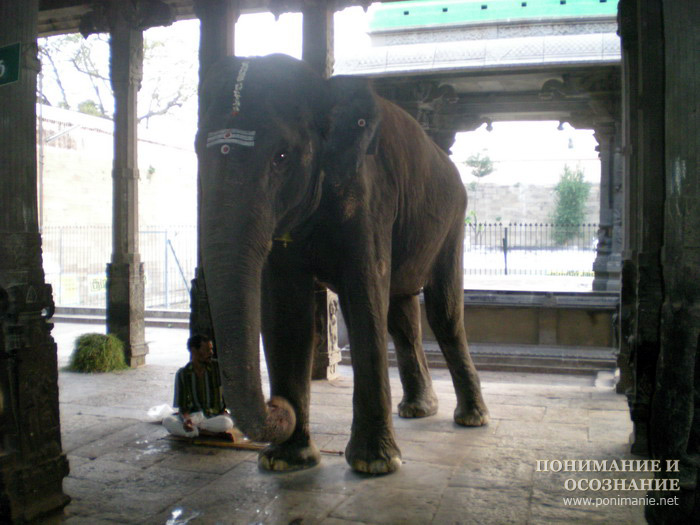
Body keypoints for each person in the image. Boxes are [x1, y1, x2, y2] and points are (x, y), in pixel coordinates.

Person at [162, 334, 235, 439]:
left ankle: (195, 432)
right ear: (194, 350)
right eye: (206, 350)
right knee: (167, 421)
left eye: (211, 349)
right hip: (193, 418)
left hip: (213, 418)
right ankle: (206, 433)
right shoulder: (183, 374)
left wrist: (225, 412)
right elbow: (183, 407)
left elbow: (227, 400)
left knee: (227, 423)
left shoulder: (218, 369)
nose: (211, 353)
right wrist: (187, 421)